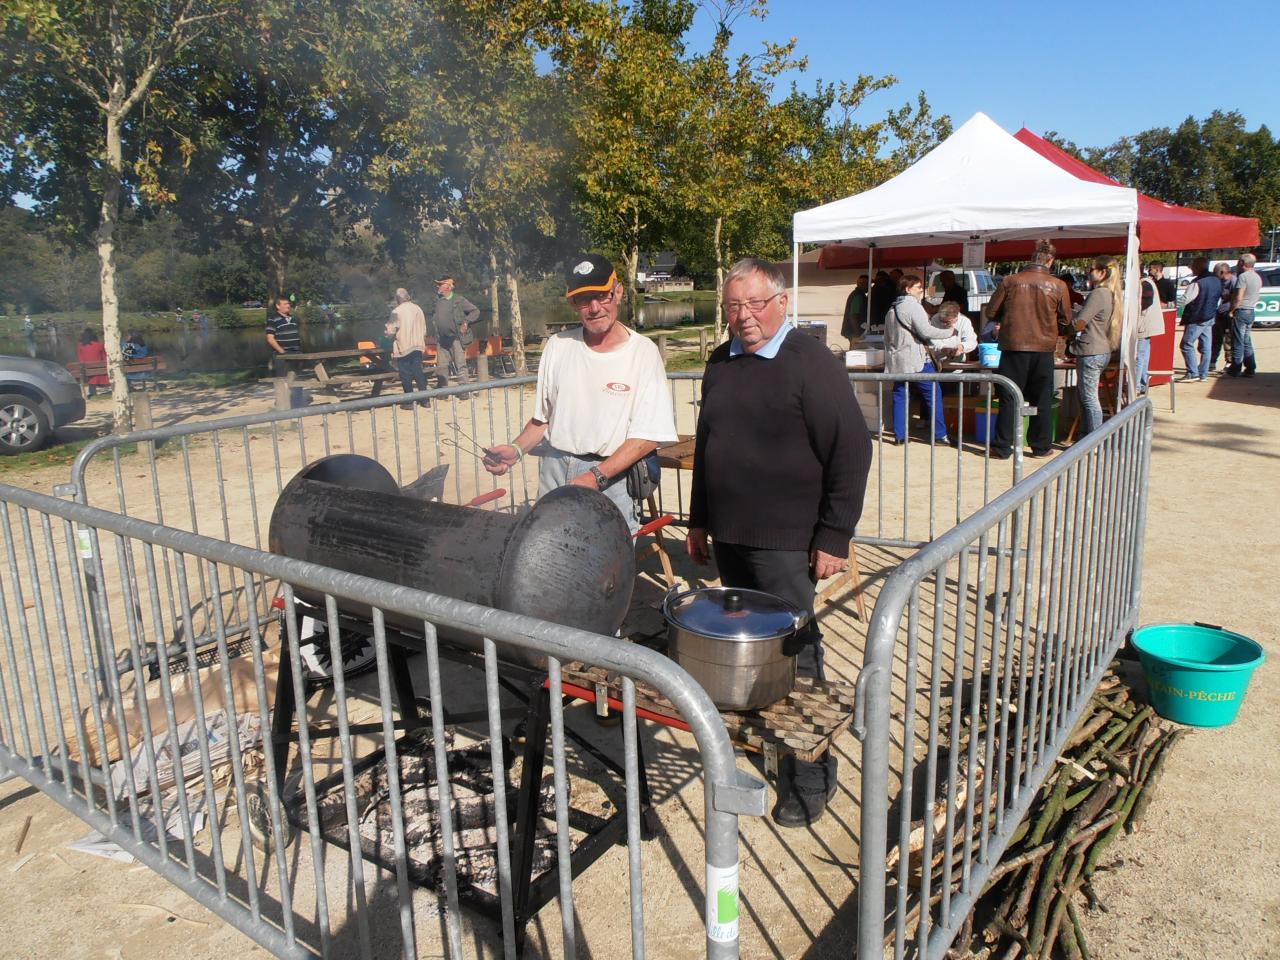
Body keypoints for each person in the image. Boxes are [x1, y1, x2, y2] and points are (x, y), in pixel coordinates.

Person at [686, 257, 872, 828]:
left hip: (789, 544)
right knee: (745, 651)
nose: (743, 318)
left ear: (782, 303)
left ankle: (810, 778)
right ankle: (760, 742)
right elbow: (707, 443)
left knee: (796, 657)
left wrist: (834, 534)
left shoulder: (811, 364)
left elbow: (852, 449)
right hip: (733, 538)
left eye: (754, 305)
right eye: (733, 307)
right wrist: (698, 519)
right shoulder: (721, 362)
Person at [483, 254, 677, 533]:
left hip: (613, 479)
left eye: (602, 296)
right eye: (584, 300)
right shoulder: (558, 346)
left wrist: (596, 476)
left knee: (607, 571)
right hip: (554, 470)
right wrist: (516, 449)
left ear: (618, 291)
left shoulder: (643, 353)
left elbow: (647, 437)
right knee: (548, 556)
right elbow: (543, 420)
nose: (595, 308)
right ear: (572, 303)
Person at [984, 239, 1072, 459]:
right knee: (1042, 398)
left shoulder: (1010, 281)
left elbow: (991, 312)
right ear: (1050, 260)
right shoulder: (1058, 285)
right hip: (1043, 348)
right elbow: (1066, 319)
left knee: (1008, 397)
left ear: (1031, 259)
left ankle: (1003, 447)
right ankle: (1040, 446)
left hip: (1013, 346)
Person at [884, 275, 967, 446]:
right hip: (917, 360)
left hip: (898, 359)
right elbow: (926, 331)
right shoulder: (914, 307)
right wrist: (949, 333)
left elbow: (887, 338)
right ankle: (940, 435)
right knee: (933, 394)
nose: (921, 290)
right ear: (907, 289)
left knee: (900, 395)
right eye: (918, 287)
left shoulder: (892, 309)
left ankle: (900, 436)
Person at [1070, 256, 1123, 436]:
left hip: (1091, 350)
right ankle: (1089, 436)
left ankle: (1094, 439)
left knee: (1089, 398)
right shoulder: (1111, 294)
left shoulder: (1098, 294)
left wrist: (1069, 321)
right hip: (1101, 349)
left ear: (1102, 272)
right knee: (1087, 396)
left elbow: (1080, 323)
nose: (1088, 272)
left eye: (1091, 269)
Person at [431, 275, 481, 390]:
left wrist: (466, 322)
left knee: (460, 365)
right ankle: (442, 391)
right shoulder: (437, 300)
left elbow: (475, 311)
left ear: (448, 286)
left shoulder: (459, 300)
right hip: (442, 339)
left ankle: (464, 390)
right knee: (441, 367)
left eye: (440, 284)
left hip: (456, 338)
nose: (437, 286)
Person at [1176, 256, 1221, 382]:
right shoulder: (1216, 280)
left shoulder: (1198, 282)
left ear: (1199, 266)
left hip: (1197, 316)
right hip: (1210, 316)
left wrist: (1173, 305)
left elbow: (1186, 298)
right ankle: (1203, 373)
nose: (1192, 268)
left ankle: (1192, 372)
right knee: (1206, 346)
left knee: (1186, 344)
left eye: (1194, 265)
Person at [388, 287, 430, 407]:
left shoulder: (397, 311)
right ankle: (425, 400)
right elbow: (424, 328)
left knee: (405, 374)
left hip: (404, 346)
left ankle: (409, 401)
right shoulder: (418, 309)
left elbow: (391, 331)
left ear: (397, 298)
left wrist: (387, 335)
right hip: (418, 345)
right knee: (418, 372)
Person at [266, 294, 309, 407]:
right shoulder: (273, 319)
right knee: (283, 380)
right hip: (282, 355)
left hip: (296, 353)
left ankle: (297, 403)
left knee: (297, 378)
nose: (288, 306)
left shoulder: (293, 319)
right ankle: (282, 404)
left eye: (289, 303)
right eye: (285, 304)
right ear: (278, 306)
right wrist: (281, 351)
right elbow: (270, 338)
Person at [1226, 253, 1260, 378]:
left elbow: (1239, 296)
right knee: (1246, 340)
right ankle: (1250, 367)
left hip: (1241, 310)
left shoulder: (1243, 277)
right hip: (1250, 310)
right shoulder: (1257, 277)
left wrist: (1231, 309)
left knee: (1238, 341)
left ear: (1242, 263)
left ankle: (1235, 369)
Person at [1135, 264, 1166, 394]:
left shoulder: (1144, 283)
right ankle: (1142, 384)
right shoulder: (1147, 282)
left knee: (1139, 356)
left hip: (1144, 324)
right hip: (1147, 324)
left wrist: (1135, 311)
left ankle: (1136, 385)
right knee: (1144, 354)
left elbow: (1146, 301)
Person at [1209, 262, 1235, 372]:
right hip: (1218, 313)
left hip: (1228, 314)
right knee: (1216, 338)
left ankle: (1229, 362)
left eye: (1216, 273)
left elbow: (1236, 297)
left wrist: (1231, 311)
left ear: (1222, 272)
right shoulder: (1219, 282)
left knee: (1228, 338)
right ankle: (1212, 361)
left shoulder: (1234, 281)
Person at [76, 328, 109, 397]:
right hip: (99, 369)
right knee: (100, 368)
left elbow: (80, 358)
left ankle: (92, 392)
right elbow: (104, 356)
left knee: (91, 372)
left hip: (86, 370)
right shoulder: (99, 345)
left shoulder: (80, 346)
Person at [841, 274, 869, 343]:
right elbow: (853, 315)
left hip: (852, 329)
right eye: (863, 283)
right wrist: (857, 332)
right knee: (855, 350)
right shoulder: (858, 296)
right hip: (853, 330)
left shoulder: (857, 294)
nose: (866, 285)